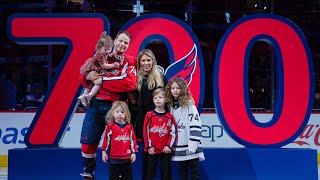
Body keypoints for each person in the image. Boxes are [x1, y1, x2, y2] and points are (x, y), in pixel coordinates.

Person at [79, 31, 136, 180]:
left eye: (126, 43)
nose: (122, 45)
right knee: (87, 142)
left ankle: (119, 175)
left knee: (119, 145)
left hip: (116, 108)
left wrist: (102, 82)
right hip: (96, 104)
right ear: (115, 41)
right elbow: (83, 75)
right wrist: (87, 77)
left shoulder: (129, 61)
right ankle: (88, 173)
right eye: (121, 41)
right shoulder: (101, 55)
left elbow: (129, 83)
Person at [133, 49, 167, 180]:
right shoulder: (135, 77)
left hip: (158, 123)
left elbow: (169, 96)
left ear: (153, 61)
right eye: (143, 60)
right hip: (142, 122)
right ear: (139, 62)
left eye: (148, 60)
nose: (146, 63)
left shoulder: (161, 77)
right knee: (147, 158)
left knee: (161, 159)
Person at [165, 77, 205, 180]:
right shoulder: (169, 105)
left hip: (190, 144)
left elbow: (196, 123)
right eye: (173, 88)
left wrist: (193, 143)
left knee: (194, 172)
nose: (175, 90)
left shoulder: (189, 104)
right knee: (182, 171)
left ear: (183, 89)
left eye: (178, 88)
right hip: (179, 144)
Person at [78, 31, 120, 107]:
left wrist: (111, 55)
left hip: (95, 70)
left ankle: (84, 95)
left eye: (109, 49)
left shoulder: (105, 54)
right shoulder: (100, 55)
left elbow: (108, 56)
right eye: (105, 49)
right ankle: (89, 95)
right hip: (93, 69)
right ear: (99, 48)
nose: (107, 51)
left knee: (91, 83)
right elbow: (104, 66)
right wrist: (114, 65)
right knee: (98, 82)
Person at [143, 88, 176, 180]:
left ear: (165, 100)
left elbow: (173, 132)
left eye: (160, 97)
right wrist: (149, 146)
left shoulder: (169, 116)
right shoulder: (149, 115)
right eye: (155, 98)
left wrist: (168, 146)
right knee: (150, 172)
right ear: (153, 100)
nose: (158, 99)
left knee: (166, 173)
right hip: (152, 149)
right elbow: (145, 132)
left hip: (165, 149)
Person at [101, 101, 138, 180]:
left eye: (122, 112)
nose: (119, 114)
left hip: (126, 159)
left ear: (126, 114)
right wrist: (104, 151)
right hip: (114, 159)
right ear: (113, 113)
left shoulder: (129, 127)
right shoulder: (110, 126)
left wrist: (133, 153)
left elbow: (133, 141)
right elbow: (106, 140)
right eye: (117, 112)